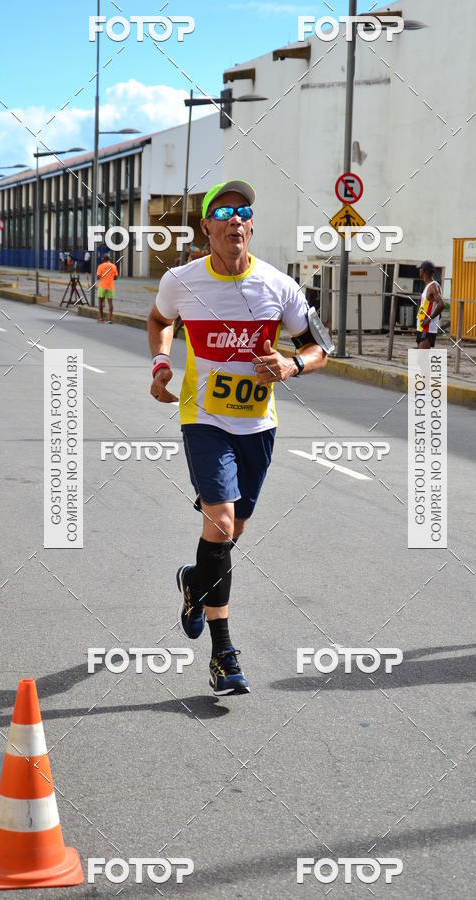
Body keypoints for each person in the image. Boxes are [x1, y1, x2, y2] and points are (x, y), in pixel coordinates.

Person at [147, 179, 331, 696]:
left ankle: (193, 581)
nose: (234, 219)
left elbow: (322, 346)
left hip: (258, 425)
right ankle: (223, 654)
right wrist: (162, 362)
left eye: (243, 210)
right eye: (222, 211)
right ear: (205, 226)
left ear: (251, 225)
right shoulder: (182, 281)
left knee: (232, 531)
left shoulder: (277, 286)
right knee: (222, 522)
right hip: (203, 418)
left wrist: (292, 364)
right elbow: (160, 319)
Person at [416, 260, 445, 349]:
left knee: (422, 359)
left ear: (423, 271)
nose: (418, 271)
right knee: (419, 359)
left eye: (419, 269)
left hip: (427, 328)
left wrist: (429, 319)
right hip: (422, 327)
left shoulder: (433, 287)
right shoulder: (428, 286)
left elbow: (441, 304)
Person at [96, 253, 118, 324]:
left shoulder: (100, 266)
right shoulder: (113, 266)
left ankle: (101, 319)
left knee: (100, 302)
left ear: (103, 260)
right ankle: (110, 319)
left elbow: (98, 277)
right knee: (110, 303)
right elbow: (115, 277)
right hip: (110, 286)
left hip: (102, 286)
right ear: (109, 260)